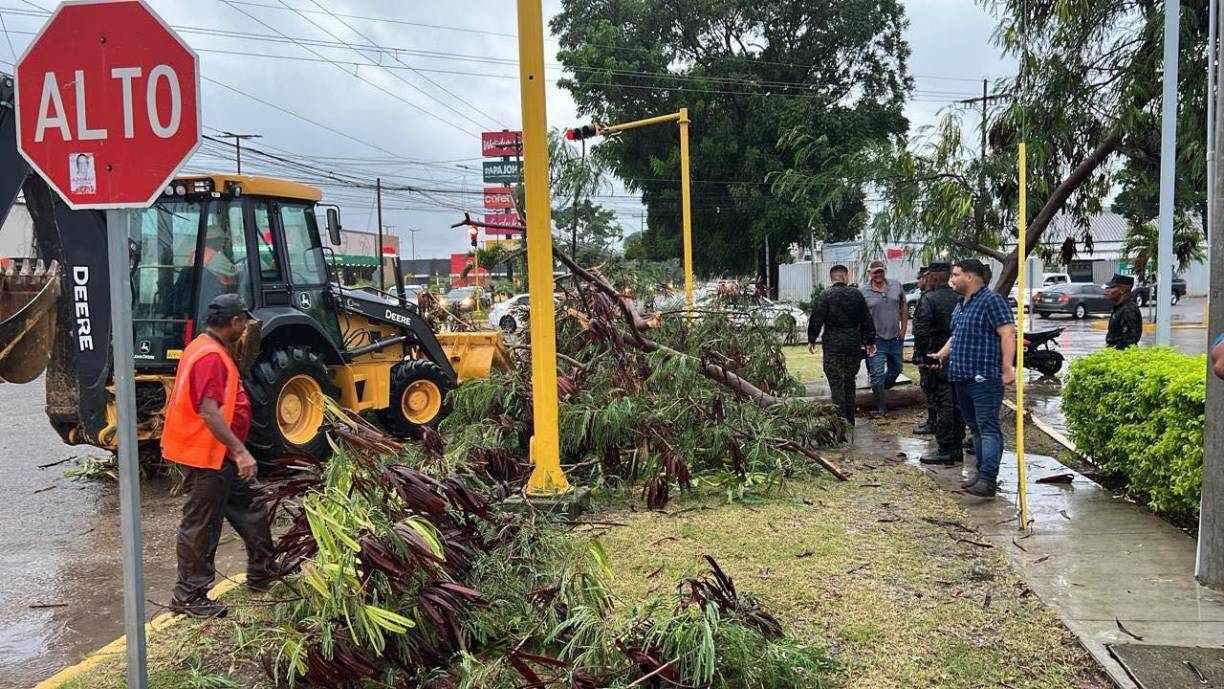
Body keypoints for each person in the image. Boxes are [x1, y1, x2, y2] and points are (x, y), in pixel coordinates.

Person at [162, 294, 274, 618]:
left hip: (218, 453)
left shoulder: (203, 345)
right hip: (205, 455)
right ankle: (189, 596)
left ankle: (263, 570)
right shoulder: (210, 355)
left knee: (252, 505)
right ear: (236, 322)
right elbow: (209, 412)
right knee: (202, 525)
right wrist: (241, 452)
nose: (246, 328)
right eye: (244, 322)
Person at [933, 259, 1016, 497]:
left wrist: (1007, 367)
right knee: (976, 429)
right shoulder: (962, 303)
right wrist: (941, 354)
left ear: (969, 277)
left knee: (988, 427)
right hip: (961, 376)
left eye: (956, 274)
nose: (952, 279)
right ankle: (981, 475)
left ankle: (988, 478)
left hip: (984, 377)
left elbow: (1007, 332)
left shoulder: (992, 300)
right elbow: (957, 335)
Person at [809, 264, 877, 425]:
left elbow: (817, 317)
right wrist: (870, 341)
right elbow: (866, 319)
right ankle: (850, 419)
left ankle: (840, 420)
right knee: (849, 381)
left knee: (836, 382)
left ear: (832, 278)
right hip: (853, 343)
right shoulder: (857, 295)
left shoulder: (826, 295)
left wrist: (812, 338)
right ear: (845, 277)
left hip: (833, 344)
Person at [914, 264, 965, 465]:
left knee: (942, 404)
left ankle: (945, 448)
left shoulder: (930, 299)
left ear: (934, 278)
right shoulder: (960, 298)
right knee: (957, 404)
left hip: (936, 357)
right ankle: (957, 447)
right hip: (958, 356)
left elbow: (921, 329)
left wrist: (922, 356)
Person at [861, 260, 908, 413]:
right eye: (875, 272)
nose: (878, 274)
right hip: (876, 340)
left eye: (880, 271)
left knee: (897, 368)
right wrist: (865, 338)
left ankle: (883, 390)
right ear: (870, 274)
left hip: (895, 337)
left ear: (884, 271)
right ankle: (882, 407)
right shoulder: (863, 291)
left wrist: (904, 328)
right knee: (876, 374)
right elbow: (860, 316)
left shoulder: (896, 285)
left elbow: (903, 305)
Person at [911, 267, 935, 435]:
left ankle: (933, 422)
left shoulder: (929, 299)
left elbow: (921, 330)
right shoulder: (925, 297)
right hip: (933, 350)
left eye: (920, 278)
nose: (918, 281)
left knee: (931, 388)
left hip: (929, 350)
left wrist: (919, 354)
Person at [1104, 273, 1142, 350]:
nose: (1108, 290)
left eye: (1112, 287)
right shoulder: (1119, 308)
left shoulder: (1129, 310)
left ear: (1122, 290)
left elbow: (1130, 340)